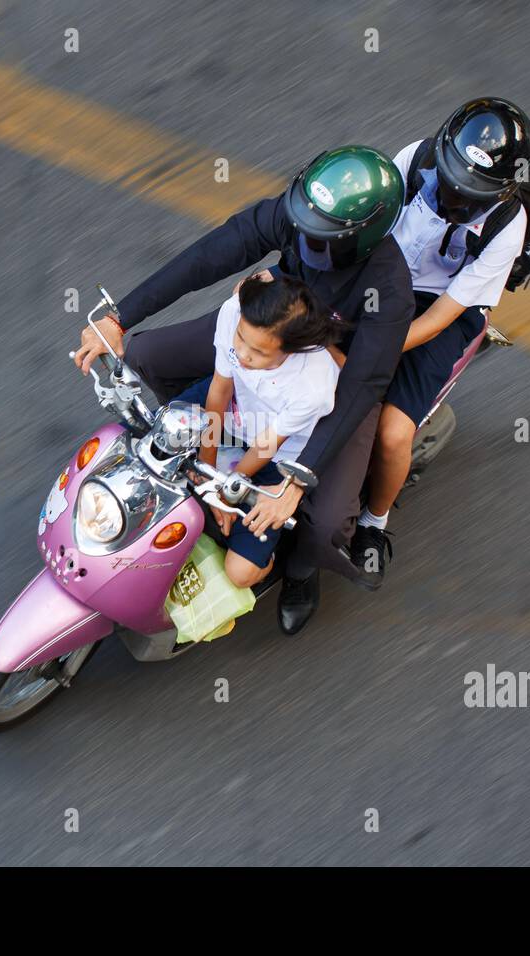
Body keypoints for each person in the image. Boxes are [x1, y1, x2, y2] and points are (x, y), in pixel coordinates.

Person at [73, 145, 412, 635]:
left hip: (337, 379)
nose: (304, 238)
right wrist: (119, 318)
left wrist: (295, 483)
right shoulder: (296, 216)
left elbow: (364, 384)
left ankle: (298, 571)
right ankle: (197, 473)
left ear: (363, 239)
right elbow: (210, 255)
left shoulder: (390, 290)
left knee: (327, 520)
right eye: (302, 226)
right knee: (144, 355)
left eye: (321, 239)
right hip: (266, 327)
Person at [349, 98, 530, 588]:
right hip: (388, 276)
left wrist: (374, 346)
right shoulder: (417, 159)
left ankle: (373, 523)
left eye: (473, 192)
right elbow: (371, 227)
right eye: (453, 180)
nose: (456, 196)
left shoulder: (507, 225)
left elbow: (439, 317)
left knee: (392, 434)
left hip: (445, 308)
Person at [175, 273, 341, 589]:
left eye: (259, 353)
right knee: (153, 436)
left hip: (276, 457)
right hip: (231, 413)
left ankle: (280, 559)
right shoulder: (235, 312)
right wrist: (207, 470)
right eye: (240, 339)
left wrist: (222, 491)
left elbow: (265, 447)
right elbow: (220, 390)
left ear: (294, 349)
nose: (242, 354)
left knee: (240, 574)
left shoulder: (314, 386)